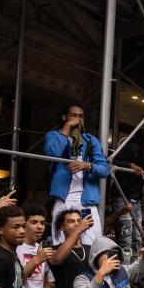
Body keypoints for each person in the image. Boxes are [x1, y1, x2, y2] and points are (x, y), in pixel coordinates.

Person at [44, 104, 109, 246]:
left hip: (86, 202)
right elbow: (53, 153)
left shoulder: (91, 140)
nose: (78, 119)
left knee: (91, 244)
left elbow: (104, 170)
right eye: (73, 115)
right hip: (63, 201)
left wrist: (87, 165)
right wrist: (66, 128)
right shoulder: (54, 135)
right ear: (64, 117)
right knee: (61, 243)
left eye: (81, 116)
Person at [110, 124, 144, 262]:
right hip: (123, 195)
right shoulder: (132, 146)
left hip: (135, 197)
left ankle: (135, 269)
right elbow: (112, 161)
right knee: (126, 238)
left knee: (137, 237)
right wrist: (131, 166)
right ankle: (127, 271)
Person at [47, 209, 95, 288]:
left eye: (79, 221)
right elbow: (57, 259)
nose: (76, 224)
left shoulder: (91, 249)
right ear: (62, 226)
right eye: (71, 221)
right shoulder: (54, 250)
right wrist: (79, 229)